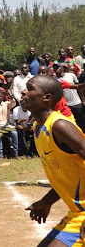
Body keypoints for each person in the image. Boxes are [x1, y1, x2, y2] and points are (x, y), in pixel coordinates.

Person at [22, 75, 85, 246]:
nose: (23, 92)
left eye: (30, 88)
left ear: (47, 98)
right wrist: (47, 202)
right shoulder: (38, 127)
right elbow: (69, 177)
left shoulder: (59, 126)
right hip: (76, 212)